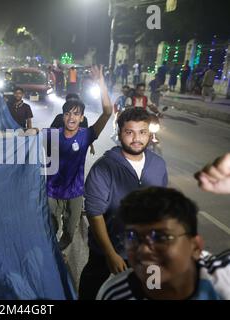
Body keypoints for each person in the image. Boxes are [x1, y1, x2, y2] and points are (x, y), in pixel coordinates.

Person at [78, 108, 168, 300]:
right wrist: (110, 253)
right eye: (130, 132)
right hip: (107, 250)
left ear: (149, 134)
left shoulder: (158, 165)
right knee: (91, 292)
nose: (137, 138)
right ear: (119, 134)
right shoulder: (103, 168)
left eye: (142, 132)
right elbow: (95, 214)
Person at [97, 187, 230, 300]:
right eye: (133, 236)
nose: (144, 250)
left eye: (161, 237)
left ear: (195, 247)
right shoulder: (114, 295)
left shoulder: (225, 278)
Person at [46, 65, 112, 252]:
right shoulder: (52, 134)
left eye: (76, 113)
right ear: (63, 116)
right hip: (52, 191)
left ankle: (60, 251)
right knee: (50, 229)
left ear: (82, 117)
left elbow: (107, 112)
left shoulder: (86, 135)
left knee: (69, 232)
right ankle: (53, 258)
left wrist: (101, 82)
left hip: (75, 193)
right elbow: (30, 137)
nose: (71, 117)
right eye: (67, 113)